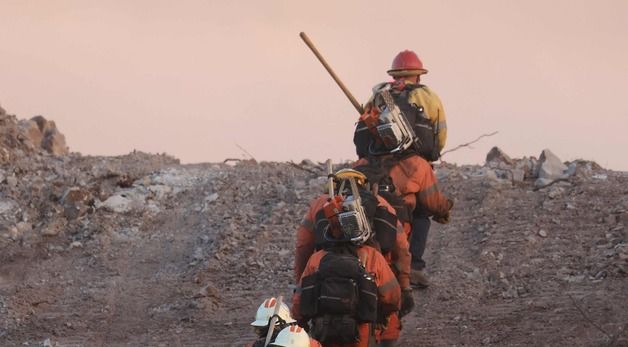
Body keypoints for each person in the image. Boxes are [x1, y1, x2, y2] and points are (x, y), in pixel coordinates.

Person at [352, 50, 453, 288]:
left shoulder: (378, 94)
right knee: (422, 213)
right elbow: (440, 132)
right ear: (418, 76)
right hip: (411, 165)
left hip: (372, 162)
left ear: (395, 73)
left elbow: (362, 133)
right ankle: (414, 267)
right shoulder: (428, 97)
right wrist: (432, 155)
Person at [291, 177, 401, 347]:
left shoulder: (317, 259)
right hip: (360, 336)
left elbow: (299, 300)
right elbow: (392, 297)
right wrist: (382, 316)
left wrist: (300, 323)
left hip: (324, 334)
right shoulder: (372, 257)